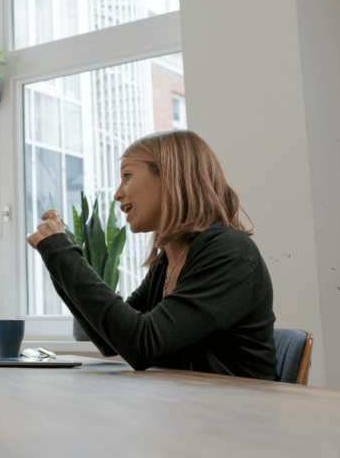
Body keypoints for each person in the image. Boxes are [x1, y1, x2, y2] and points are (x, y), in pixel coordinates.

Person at [26, 130, 277, 379]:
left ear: (170, 177)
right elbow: (110, 340)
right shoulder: (170, 260)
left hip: (239, 413)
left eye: (127, 176)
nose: (117, 194)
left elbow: (142, 345)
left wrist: (64, 255)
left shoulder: (229, 253)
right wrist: (57, 257)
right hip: (192, 409)